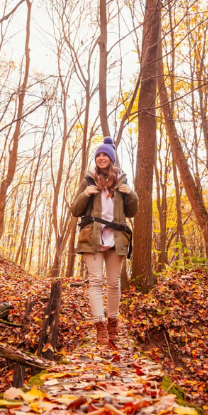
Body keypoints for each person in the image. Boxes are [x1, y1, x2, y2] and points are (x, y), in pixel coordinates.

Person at [71, 137, 138, 345]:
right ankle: (99, 326)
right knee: (96, 281)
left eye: (104, 155)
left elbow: (131, 212)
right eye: (98, 155)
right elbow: (75, 210)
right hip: (92, 236)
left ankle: (113, 323)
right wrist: (85, 194)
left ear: (111, 159)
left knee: (113, 283)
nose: (101, 158)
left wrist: (132, 195)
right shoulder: (89, 180)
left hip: (116, 237)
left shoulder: (122, 181)